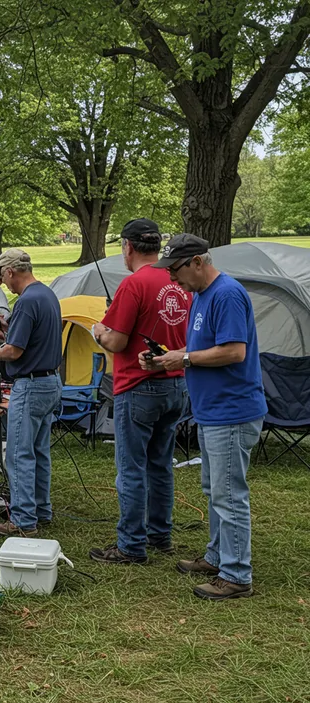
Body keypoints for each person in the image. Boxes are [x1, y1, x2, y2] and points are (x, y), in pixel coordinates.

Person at [140, 234, 266, 600]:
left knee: (228, 495)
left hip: (232, 411)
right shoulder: (199, 295)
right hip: (213, 411)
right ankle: (217, 557)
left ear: (197, 262)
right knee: (215, 490)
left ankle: (237, 575)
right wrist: (168, 356)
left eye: (176, 270)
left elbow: (233, 352)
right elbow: (199, 348)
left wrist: (184, 359)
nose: (172, 279)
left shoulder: (226, 294)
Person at [89, 219, 190, 565]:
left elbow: (116, 341)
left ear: (128, 247)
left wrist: (98, 331)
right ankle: (159, 533)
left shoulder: (134, 285)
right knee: (160, 464)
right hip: (176, 384)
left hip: (138, 386)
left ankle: (131, 545)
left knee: (131, 468)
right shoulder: (179, 281)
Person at [0, 248, 62, 537]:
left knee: (18, 454)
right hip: (51, 382)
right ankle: (41, 509)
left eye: (3, 276)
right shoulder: (46, 294)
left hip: (30, 386)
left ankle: (22, 520)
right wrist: (10, 328)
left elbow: (15, 351)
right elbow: (33, 338)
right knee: (39, 451)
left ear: (10, 272)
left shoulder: (26, 301)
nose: (4, 282)